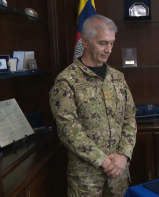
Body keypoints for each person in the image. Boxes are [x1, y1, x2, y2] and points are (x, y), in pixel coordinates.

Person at [49, 14, 136, 196]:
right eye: (103, 43)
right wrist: (103, 161)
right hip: (86, 180)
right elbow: (68, 130)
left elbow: (130, 117)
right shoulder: (67, 80)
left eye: (112, 43)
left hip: (118, 176)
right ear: (86, 42)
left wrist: (124, 155)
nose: (109, 49)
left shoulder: (117, 78)